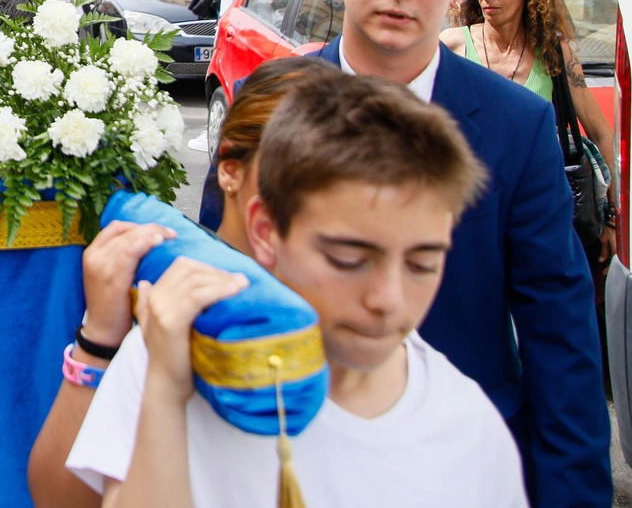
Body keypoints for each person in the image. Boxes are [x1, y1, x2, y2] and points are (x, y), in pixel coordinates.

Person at [67, 71, 525, 508]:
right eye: (348, 258)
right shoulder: (173, 353)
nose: (388, 299)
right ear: (266, 230)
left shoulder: (469, 427)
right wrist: (164, 392)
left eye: (423, 263)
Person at [314, 0, 610, 506]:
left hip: (465, 469)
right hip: (294, 457)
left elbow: (558, 334)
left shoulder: (515, 126)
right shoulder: (271, 104)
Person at [26, 56, 333, 507]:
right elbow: (59, 497)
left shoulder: (356, 310)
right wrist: (99, 343)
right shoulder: (162, 296)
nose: (316, 201)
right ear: (229, 167)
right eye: (296, 172)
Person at [440, 0, 616, 263]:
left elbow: (603, 132)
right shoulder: (451, 47)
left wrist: (612, 217)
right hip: (471, 218)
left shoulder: (553, 53)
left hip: (541, 215)